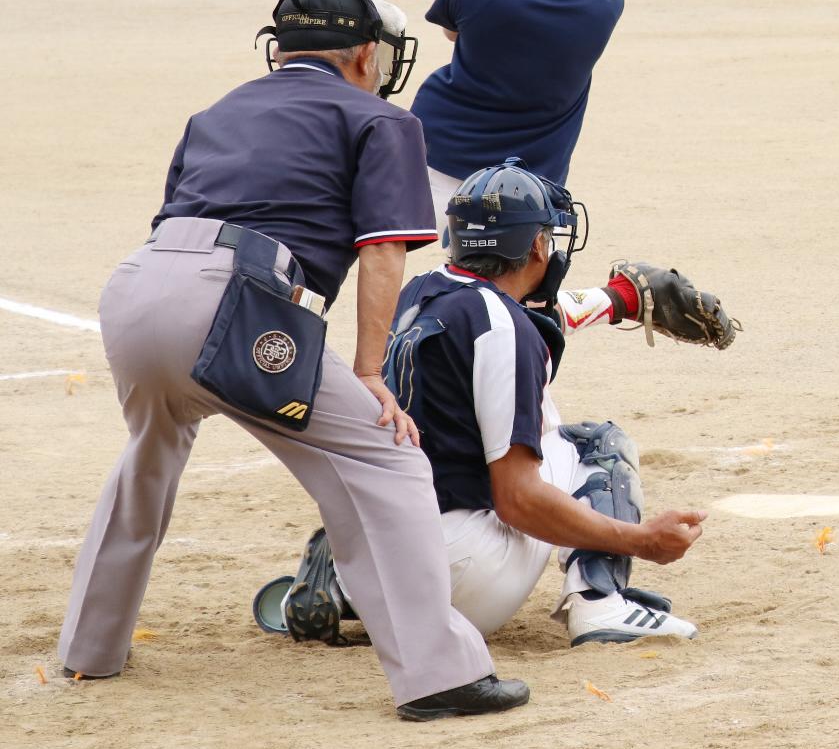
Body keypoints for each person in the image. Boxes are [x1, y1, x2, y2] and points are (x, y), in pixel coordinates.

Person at [59, 0, 528, 722]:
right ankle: (439, 675)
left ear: (280, 48)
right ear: (365, 52)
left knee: (150, 454)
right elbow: (383, 253)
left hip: (136, 288)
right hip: (234, 301)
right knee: (386, 457)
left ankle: (89, 648)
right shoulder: (380, 119)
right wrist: (371, 373)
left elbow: (183, 219)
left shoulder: (217, 108)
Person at [264, 162, 711, 647]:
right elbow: (519, 500)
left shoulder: (420, 291)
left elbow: (524, 314)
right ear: (537, 246)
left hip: (378, 565)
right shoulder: (504, 328)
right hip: (459, 581)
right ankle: (601, 603)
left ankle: (339, 578)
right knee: (595, 444)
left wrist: (616, 299)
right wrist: (642, 541)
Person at [416, 0, 634, 223]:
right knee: (501, 271)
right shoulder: (605, 0)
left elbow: (453, 34)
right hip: (527, 182)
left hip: (437, 155)